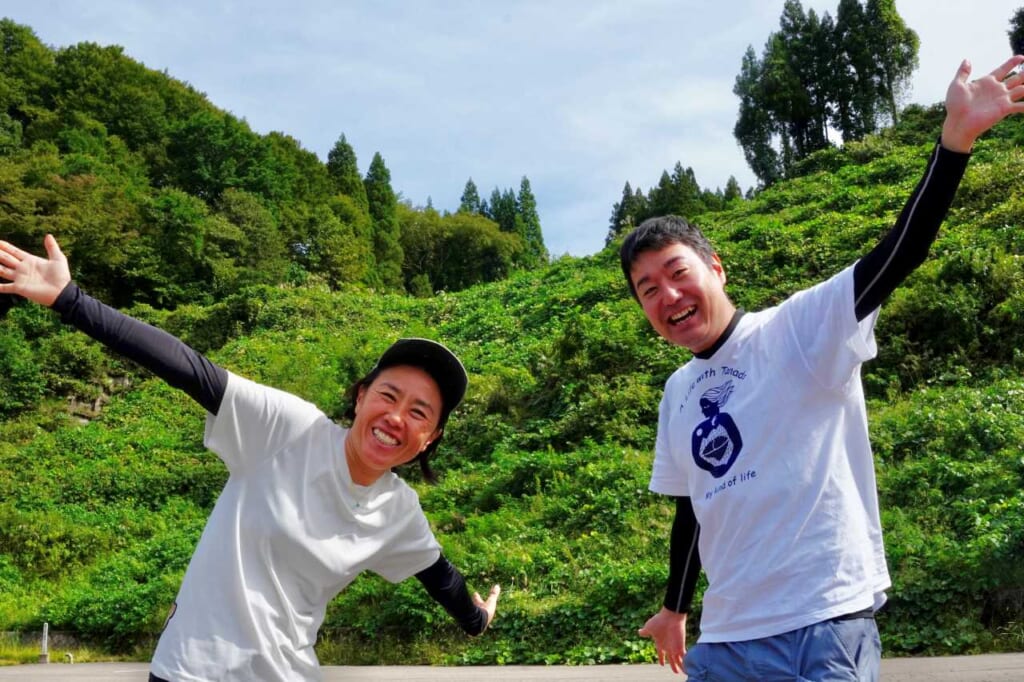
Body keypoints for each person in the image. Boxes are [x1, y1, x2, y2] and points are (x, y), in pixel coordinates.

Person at [624, 55, 1024, 680]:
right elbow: (691, 507)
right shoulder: (677, 392)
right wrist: (675, 608)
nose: (668, 295)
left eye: (678, 273)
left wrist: (954, 144)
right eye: (647, 289)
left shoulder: (798, 328)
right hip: (725, 639)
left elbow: (900, 253)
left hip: (822, 625)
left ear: (716, 269)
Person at [0, 237, 501, 681]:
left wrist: (476, 619)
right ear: (361, 396)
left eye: (419, 412)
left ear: (430, 438)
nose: (397, 417)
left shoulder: (399, 511)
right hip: (192, 671)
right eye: (388, 396)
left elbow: (442, 578)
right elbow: (186, 366)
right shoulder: (289, 429)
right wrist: (70, 301)